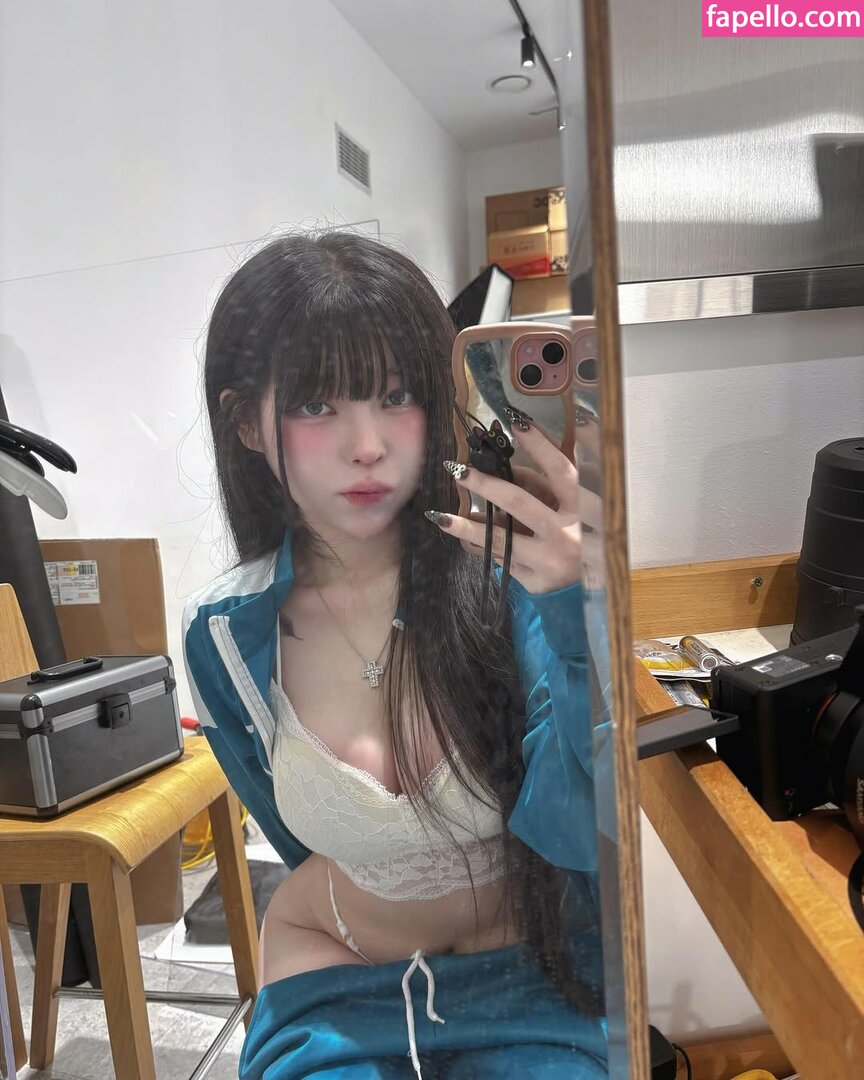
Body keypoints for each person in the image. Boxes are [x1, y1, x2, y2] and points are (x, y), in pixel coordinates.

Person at [182, 232, 607, 1078]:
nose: (369, 444)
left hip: (537, 970)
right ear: (247, 423)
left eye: (397, 395)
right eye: (317, 405)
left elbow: (582, 830)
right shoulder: (226, 633)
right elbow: (295, 835)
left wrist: (574, 612)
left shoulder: (519, 578)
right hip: (333, 969)